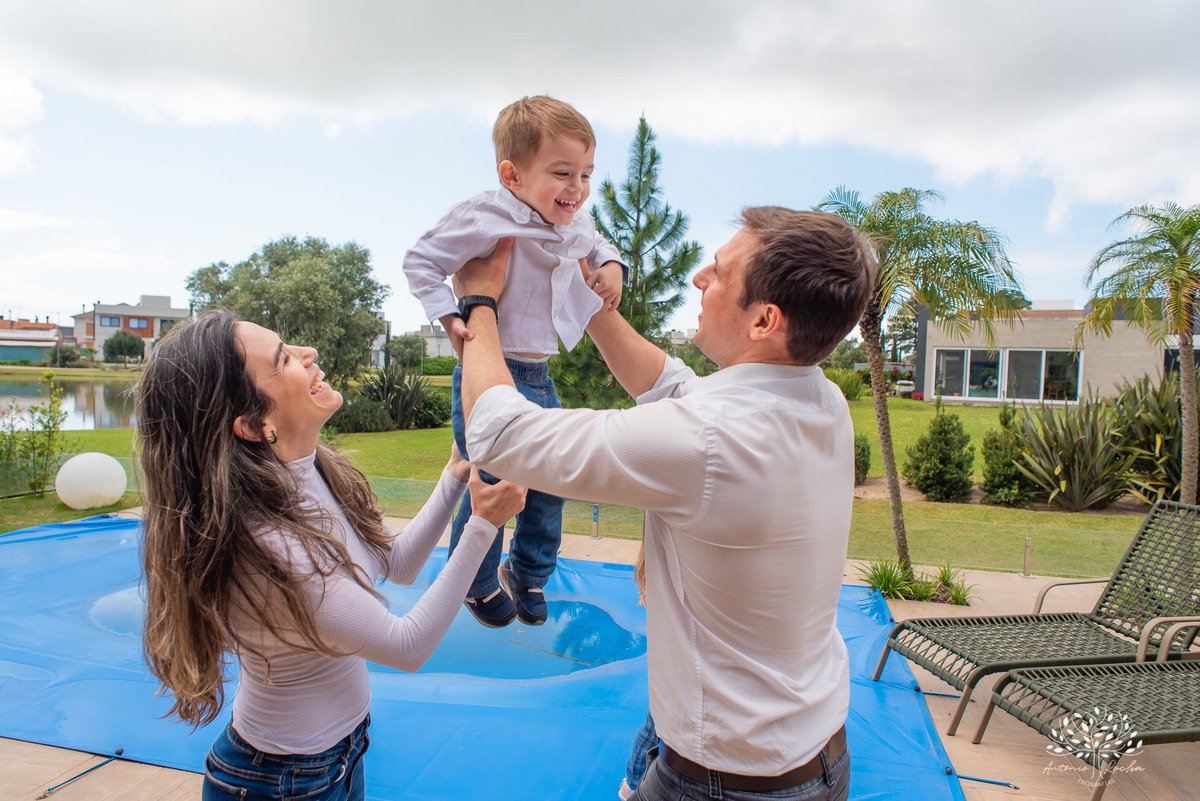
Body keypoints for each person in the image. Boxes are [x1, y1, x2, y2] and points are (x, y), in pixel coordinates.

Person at [455, 206, 878, 801]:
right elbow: (671, 385)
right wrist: (588, 297)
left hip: (727, 784)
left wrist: (479, 304)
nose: (701, 278)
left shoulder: (710, 439)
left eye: (720, 272)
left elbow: (500, 436)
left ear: (764, 319)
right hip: (818, 756)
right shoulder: (821, 397)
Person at [136, 310, 525, 801]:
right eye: (283, 359)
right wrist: (483, 525)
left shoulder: (305, 474)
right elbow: (406, 646)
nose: (309, 354)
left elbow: (395, 563)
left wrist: (454, 473)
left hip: (335, 755)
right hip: (279, 780)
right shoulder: (268, 546)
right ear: (256, 425)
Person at [403, 95, 627, 628]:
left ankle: (526, 572)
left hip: (538, 374)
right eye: (562, 173)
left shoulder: (574, 221)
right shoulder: (487, 215)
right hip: (489, 370)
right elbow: (420, 260)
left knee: (552, 480)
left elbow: (599, 244)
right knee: (495, 482)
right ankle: (474, 582)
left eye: (586, 175)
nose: (577, 189)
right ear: (512, 174)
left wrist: (612, 264)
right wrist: (448, 316)